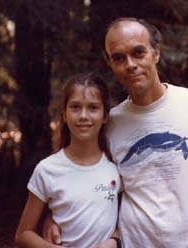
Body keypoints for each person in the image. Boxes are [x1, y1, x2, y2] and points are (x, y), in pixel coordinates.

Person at [45, 17, 188, 248]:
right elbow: (76, 173)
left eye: (138, 53)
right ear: (110, 63)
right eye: (119, 58)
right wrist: (51, 217)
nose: (130, 64)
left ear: (155, 53)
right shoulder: (110, 122)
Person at [15, 73, 121, 248]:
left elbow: (127, 220)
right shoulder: (47, 169)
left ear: (105, 116)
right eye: (75, 107)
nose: (83, 116)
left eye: (93, 108)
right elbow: (23, 235)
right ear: (64, 114)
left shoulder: (116, 167)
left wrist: (113, 240)